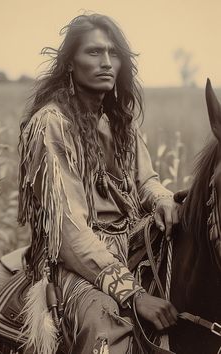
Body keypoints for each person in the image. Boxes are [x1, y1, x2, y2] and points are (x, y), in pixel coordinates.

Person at [18, 13, 180, 354]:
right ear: (70, 64)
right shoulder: (51, 125)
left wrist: (163, 198)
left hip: (133, 242)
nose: (106, 62)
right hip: (73, 263)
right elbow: (68, 229)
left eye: (113, 53)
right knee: (106, 331)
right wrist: (133, 294)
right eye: (93, 52)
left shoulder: (119, 122)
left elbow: (145, 180)